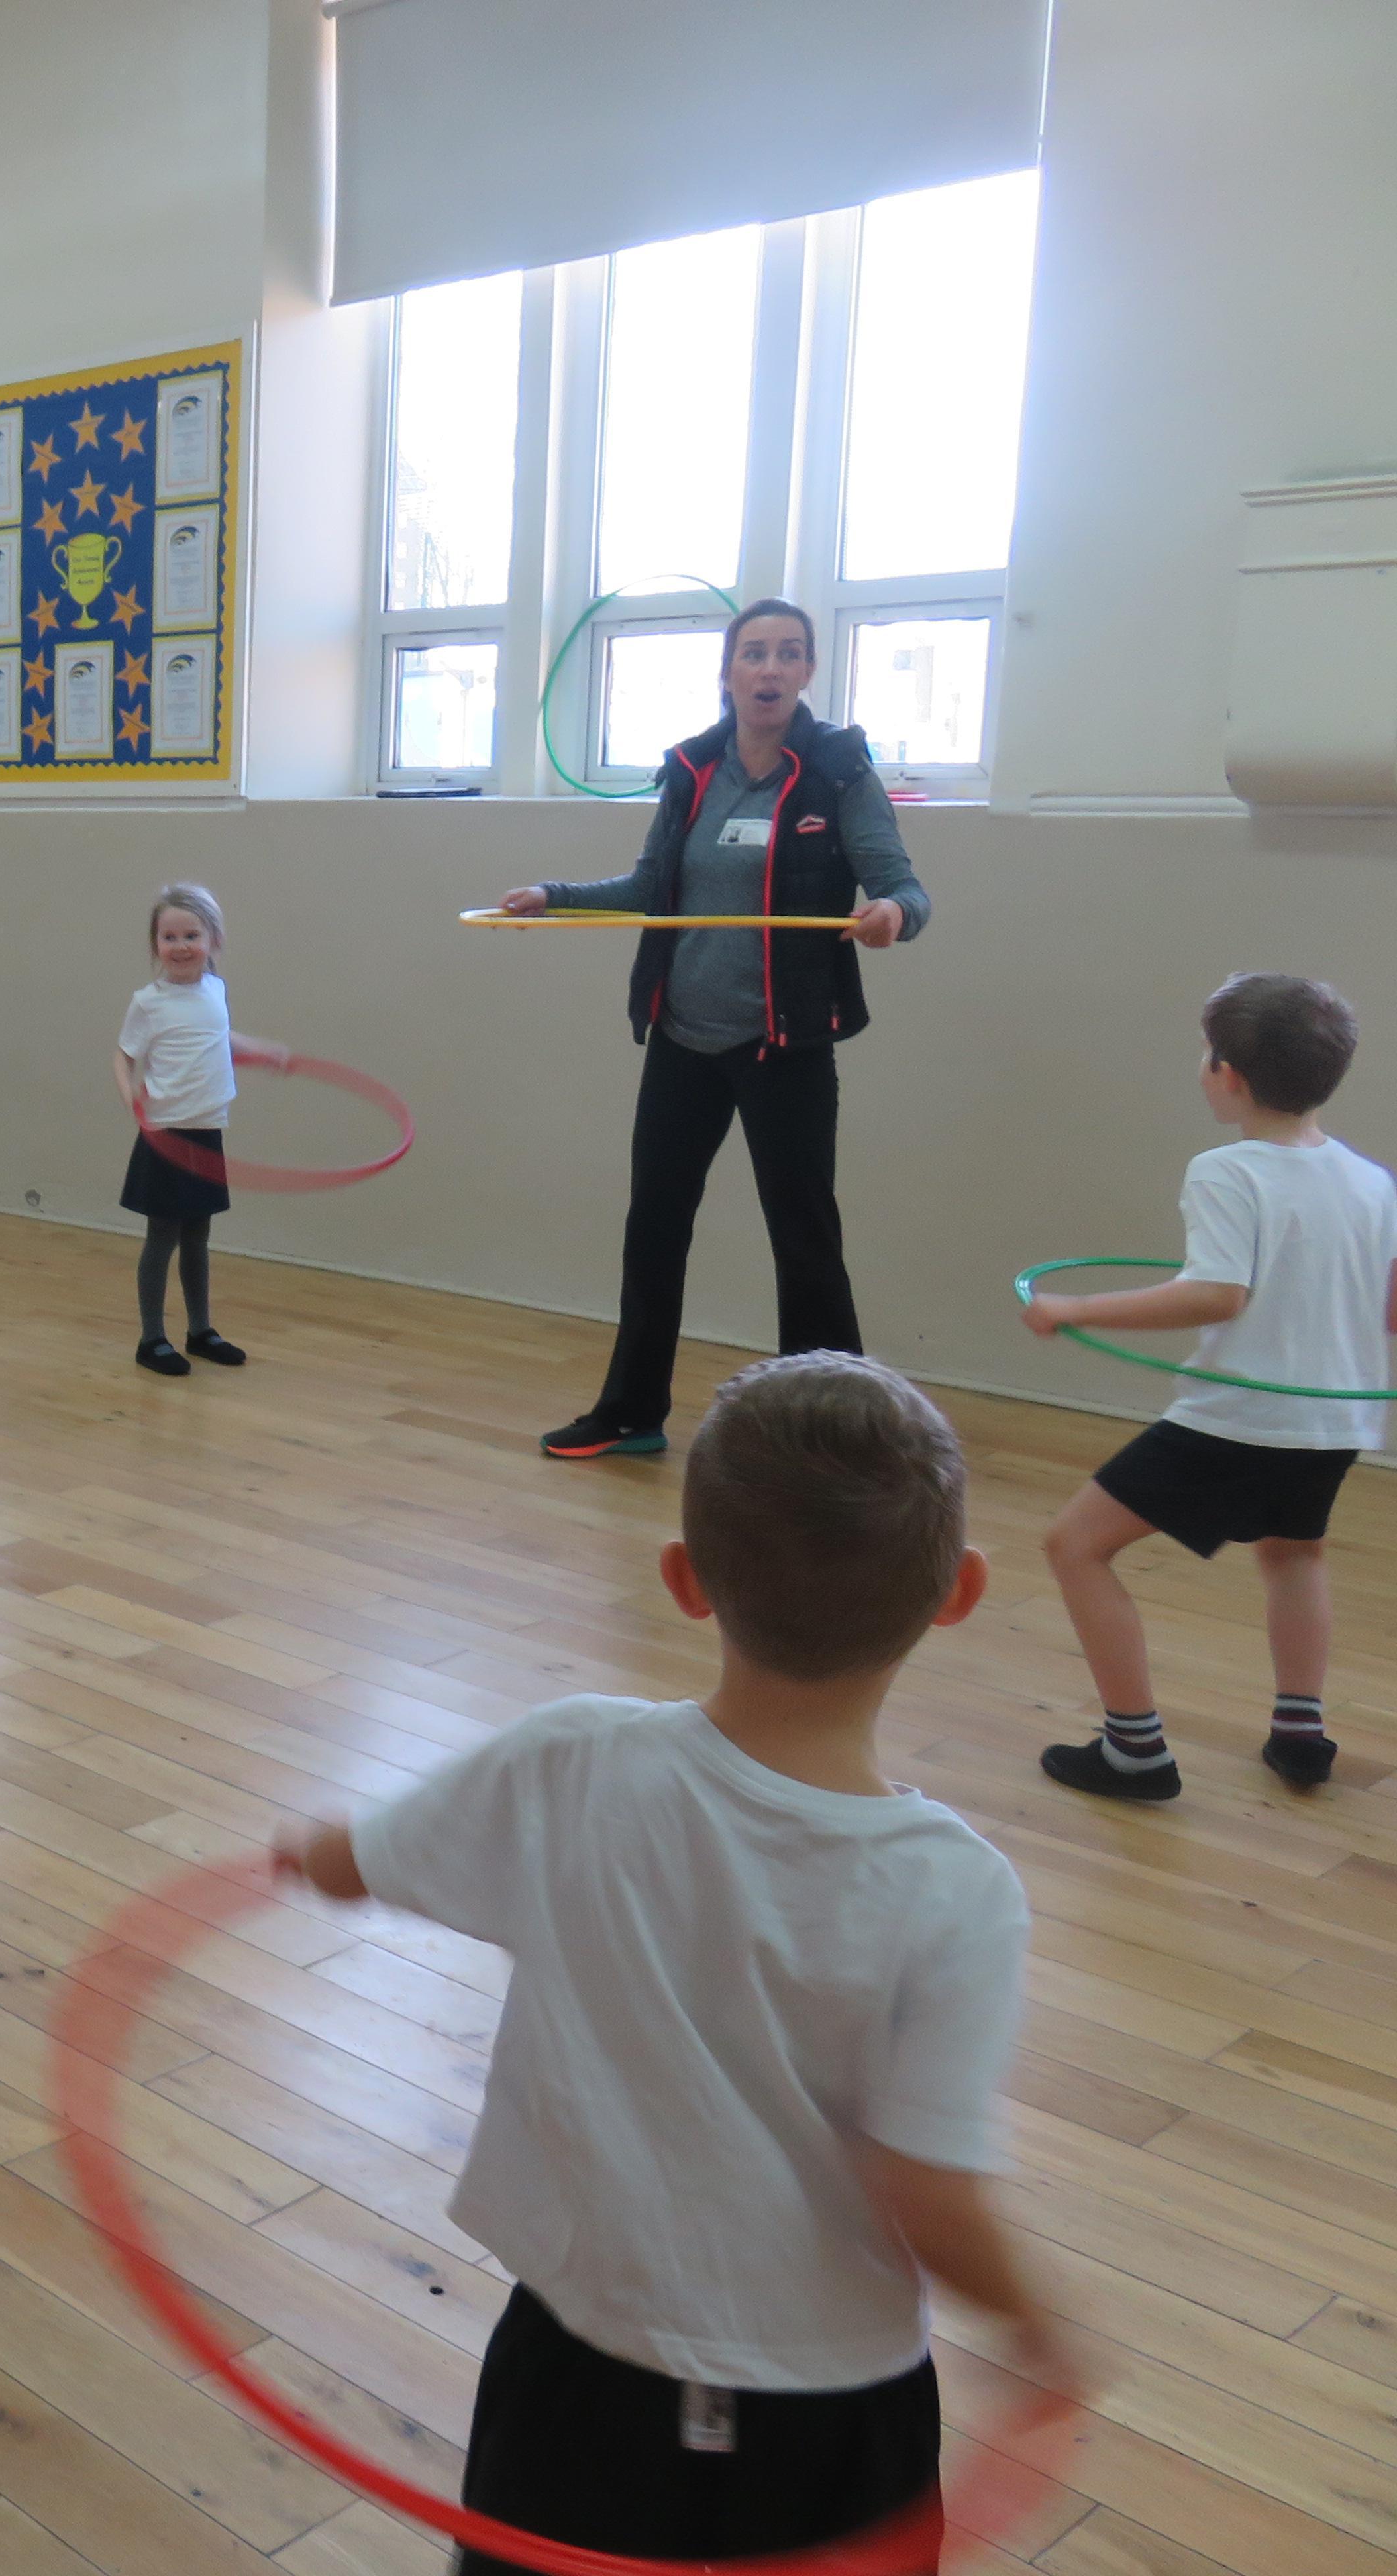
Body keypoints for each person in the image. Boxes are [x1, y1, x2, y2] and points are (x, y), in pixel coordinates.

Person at [273, 1353, 1069, 2571]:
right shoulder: (957, 1891)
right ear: (957, 1591)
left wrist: (302, 1850)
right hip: (831, 2401)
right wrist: (1033, 2324)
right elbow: (929, 2188)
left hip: (579, 2362)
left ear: (684, 1579)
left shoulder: (568, 1760)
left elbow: (352, 1862)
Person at [491, 600, 933, 1462]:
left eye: (789, 654)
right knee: (654, 1227)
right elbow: (650, 885)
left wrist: (891, 915)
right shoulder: (694, 769)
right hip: (684, 1039)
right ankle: (631, 1412)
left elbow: (905, 889)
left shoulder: (838, 770)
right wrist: (554, 896)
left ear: (808, 672)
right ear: (728, 673)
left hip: (783, 1043)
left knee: (805, 1241)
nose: (770, 669)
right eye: (754, 653)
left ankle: (833, 1434)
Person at [1031, 975, 1397, 1799]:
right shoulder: (1371, 1180)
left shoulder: (1226, 1172)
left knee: (1075, 1546)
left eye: (1206, 1054)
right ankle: (1301, 1733)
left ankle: (1134, 1753)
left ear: (1227, 1074)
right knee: (1294, 1552)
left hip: (1239, 1418)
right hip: (1334, 1424)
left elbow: (1215, 1294)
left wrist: (1074, 1308)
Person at [115, 884, 288, 1376]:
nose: (181, 946)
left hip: (206, 1129)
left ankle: (201, 1331)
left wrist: (260, 1050)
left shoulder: (215, 990)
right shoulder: (149, 1003)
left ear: (214, 940)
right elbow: (123, 1056)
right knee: (163, 1236)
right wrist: (131, 1096)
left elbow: (217, 1037)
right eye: (169, 937)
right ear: (156, 944)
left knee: (198, 1235)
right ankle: (152, 1339)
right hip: (166, 1135)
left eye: (192, 935)